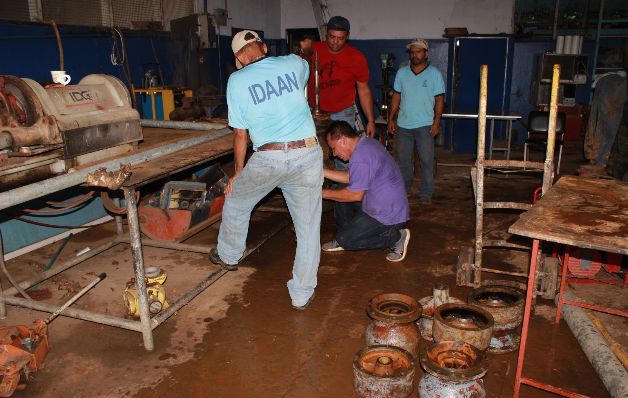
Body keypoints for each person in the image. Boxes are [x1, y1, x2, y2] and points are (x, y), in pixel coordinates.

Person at [209, 30, 324, 311]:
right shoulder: (293, 63)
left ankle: (229, 255)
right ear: (262, 46)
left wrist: (238, 171)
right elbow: (305, 76)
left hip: (269, 156)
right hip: (308, 153)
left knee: (237, 201)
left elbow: (240, 135)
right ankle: (301, 295)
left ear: (239, 57)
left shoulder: (236, 80)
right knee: (308, 229)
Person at [321, 121, 410, 262]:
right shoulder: (365, 144)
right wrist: (322, 172)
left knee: (348, 241)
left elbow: (355, 195)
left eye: (333, 148)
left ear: (343, 140)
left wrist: (322, 194)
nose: (334, 154)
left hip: (387, 216)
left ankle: (395, 237)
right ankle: (346, 235)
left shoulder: (360, 157)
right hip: (382, 204)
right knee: (339, 190)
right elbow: (353, 177)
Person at [388, 38, 445, 205]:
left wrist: (436, 123)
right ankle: (403, 191)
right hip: (403, 125)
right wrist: (391, 118)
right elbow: (397, 97)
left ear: (426, 53)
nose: (415, 55)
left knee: (427, 161)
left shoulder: (434, 74)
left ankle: (426, 194)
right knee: (403, 162)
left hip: (425, 126)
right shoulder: (402, 73)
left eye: (418, 51)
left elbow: (440, 100)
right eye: (412, 52)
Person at [301, 16, 376, 138]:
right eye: (332, 37)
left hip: (343, 113)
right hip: (313, 113)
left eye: (340, 38)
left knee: (342, 154)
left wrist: (371, 121)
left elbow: (364, 90)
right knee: (315, 154)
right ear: (326, 34)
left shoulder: (357, 58)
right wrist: (304, 52)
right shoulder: (312, 49)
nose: (335, 41)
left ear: (347, 36)